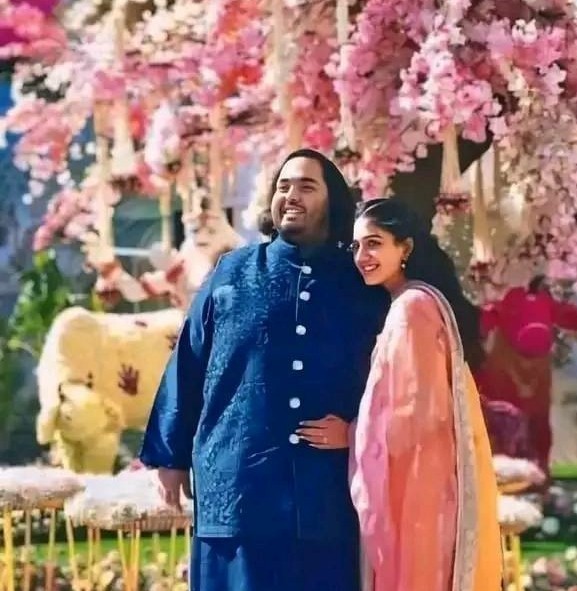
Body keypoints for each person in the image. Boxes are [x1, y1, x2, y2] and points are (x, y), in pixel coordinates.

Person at [139, 149, 389, 591]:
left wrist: (356, 431)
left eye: (307, 187)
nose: (291, 195)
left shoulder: (360, 285)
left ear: (333, 202)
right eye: (283, 186)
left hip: (327, 497)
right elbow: (188, 363)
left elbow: (391, 381)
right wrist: (169, 456)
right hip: (237, 494)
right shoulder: (232, 273)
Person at [298, 198, 503, 591]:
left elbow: (415, 415)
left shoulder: (413, 309)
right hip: (425, 484)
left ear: (405, 247)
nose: (362, 256)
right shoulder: (411, 304)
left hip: (421, 491)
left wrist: (352, 434)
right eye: (356, 246)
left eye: (374, 243)